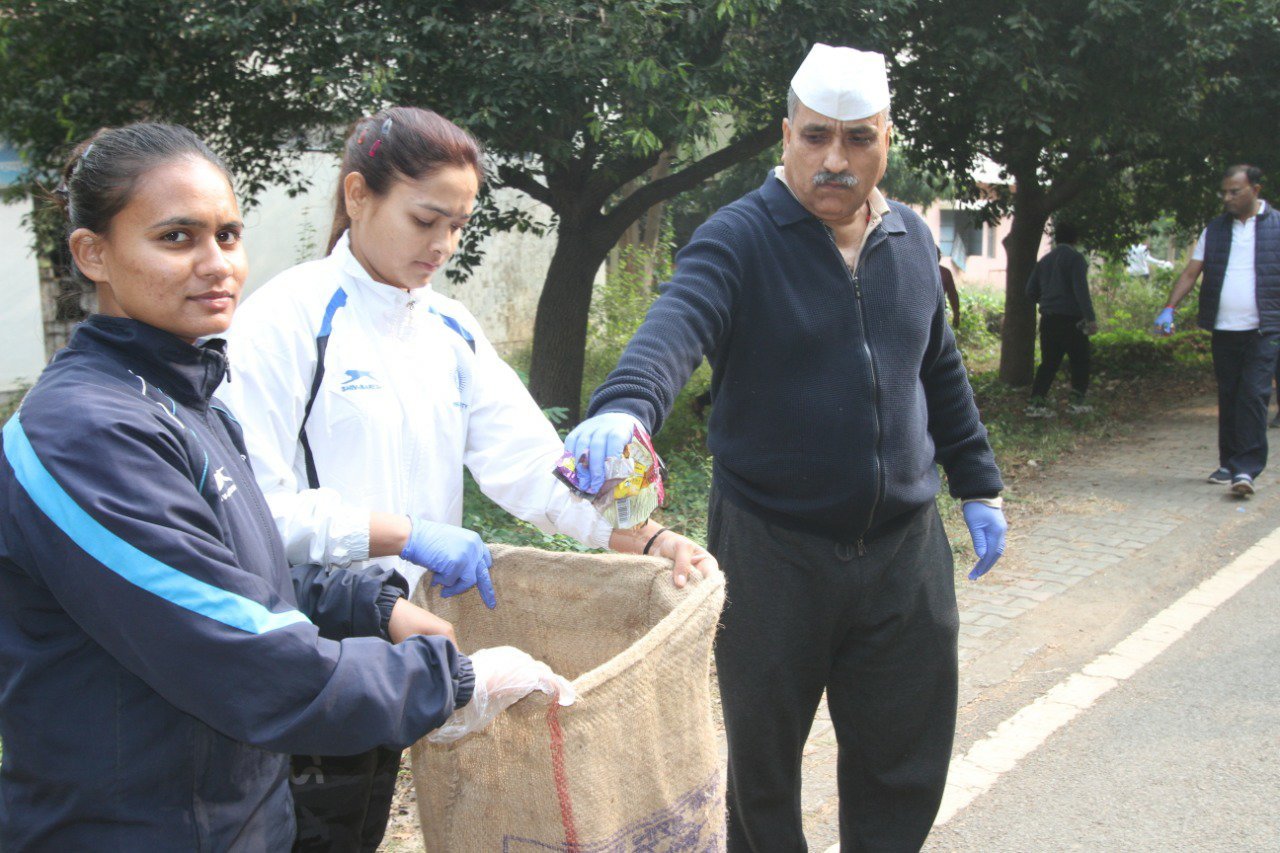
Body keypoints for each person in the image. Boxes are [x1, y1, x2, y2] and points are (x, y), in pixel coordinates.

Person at [0, 123, 573, 849]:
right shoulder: (84, 434)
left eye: (229, 234)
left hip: (237, 806)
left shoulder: (189, 398)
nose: (217, 265)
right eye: (177, 238)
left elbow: (243, 568)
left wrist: (370, 603)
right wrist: (450, 680)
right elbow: (231, 649)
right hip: (134, 825)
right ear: (94, 254)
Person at [220, 106, 717, 850]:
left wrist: (649, 539)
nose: (444, 245)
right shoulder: (284, 323)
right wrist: (407, 534)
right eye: (426, 220)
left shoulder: (448, 329)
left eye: (459, 223)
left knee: (361, 819)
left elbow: (530, 468)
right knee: (311, 827)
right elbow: (250, 514)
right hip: (314, 638)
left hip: (408, 635)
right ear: (358, 195)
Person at [563, 44, 1007, 851]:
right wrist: (626, 406)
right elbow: (677, 325)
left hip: (904, 550)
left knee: (904, 759)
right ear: (786, 135)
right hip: (773, 548)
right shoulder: (739, 238)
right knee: (763, 771)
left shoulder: (908, 237)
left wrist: (978, 482)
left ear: (886, 138)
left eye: (857, 139)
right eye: (815, 138)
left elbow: (936, 367)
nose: (834, 160)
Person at [1155, 164, 1280, 496]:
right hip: (1224, 330)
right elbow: (1190, 272)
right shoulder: (1216, 230)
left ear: (1255, 189)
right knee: (1230, 395)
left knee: (1254, 395)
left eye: (1234, 191)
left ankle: (1247, 469)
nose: (1227, 197)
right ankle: (1229, 462)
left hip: (1264, 329)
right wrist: (1170, 308)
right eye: (1224, 192)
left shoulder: (1277, 226)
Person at [1025, 222, 1097, 417]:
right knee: (1080, 360)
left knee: (1049, 362)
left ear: (1057, 239)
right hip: (1072, 320)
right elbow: (1081, 291)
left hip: (1049, 319)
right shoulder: (1076, 259)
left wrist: (1047, 301)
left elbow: (1030, 291)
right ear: (1076, 239)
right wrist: (1090, 318)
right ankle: (1076, 401)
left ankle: (1036, 403)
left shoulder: (1045, 260)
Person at [939, 245, 962, 328]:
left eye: (939, 255)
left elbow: (952, 294)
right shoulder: (919, 272)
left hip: (939, 312)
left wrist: (956, 314)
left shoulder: (945, 273)